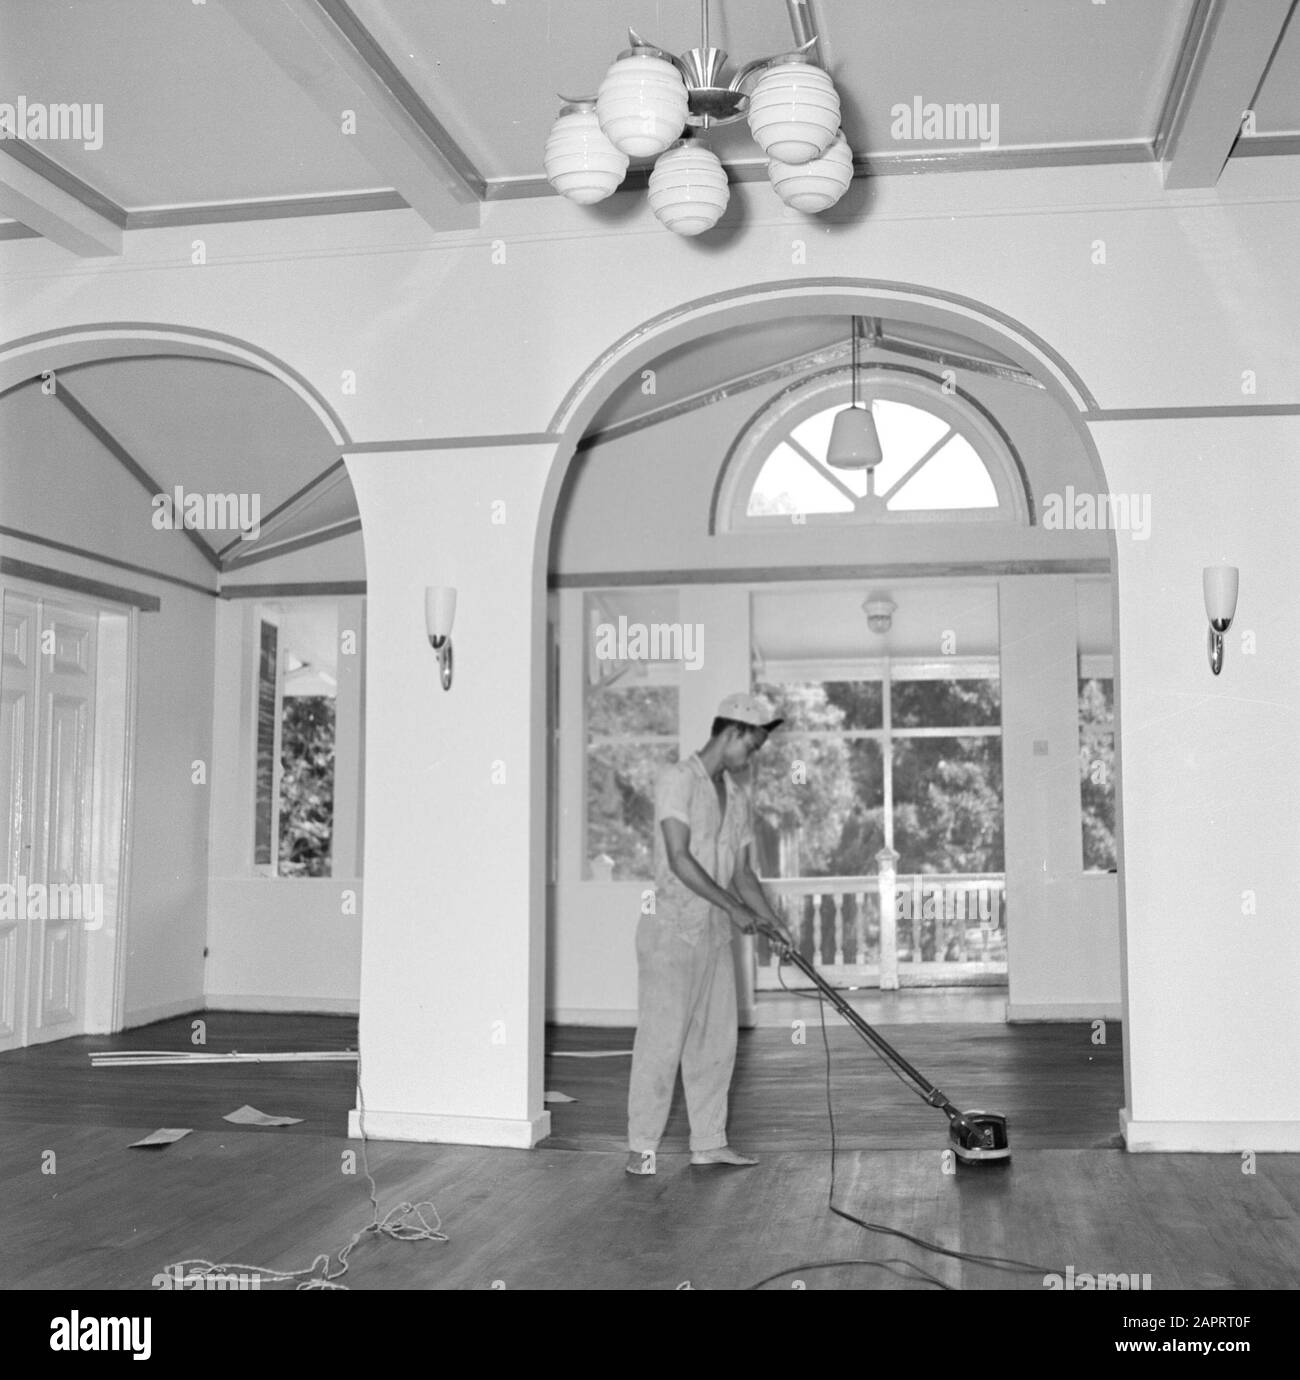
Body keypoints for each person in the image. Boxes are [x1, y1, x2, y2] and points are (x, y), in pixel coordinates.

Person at [625, 692, 793, 1176]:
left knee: (716, 1042)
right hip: (671, 930)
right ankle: (643, 1147)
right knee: (662, 1041)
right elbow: (679, 859)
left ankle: (709, 1142)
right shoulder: (677, 780)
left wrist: (776, 926)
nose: (752, 757)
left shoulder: (736, 798)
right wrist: (736, 909)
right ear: (732, 732)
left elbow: (741, 874)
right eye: (752, 746)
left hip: (714, 933)